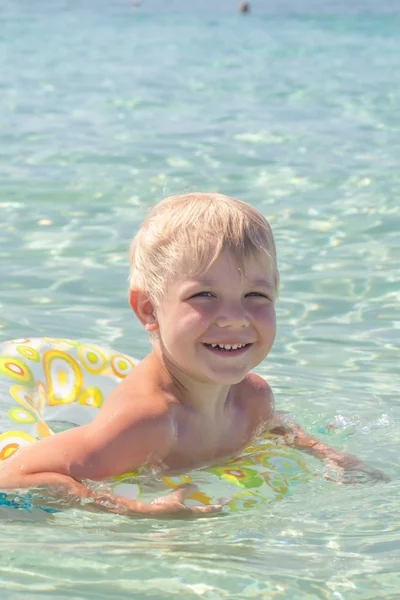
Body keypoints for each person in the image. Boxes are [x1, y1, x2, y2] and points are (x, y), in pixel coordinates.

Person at [0, 193, 388, 517]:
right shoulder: (146, 424)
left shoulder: (253, 396)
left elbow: (276, 428)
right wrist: (131, 510)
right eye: (204, 295)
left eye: (256, 296)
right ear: (149, 310)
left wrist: (323, 452)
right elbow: (14, 476)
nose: (235, 319)